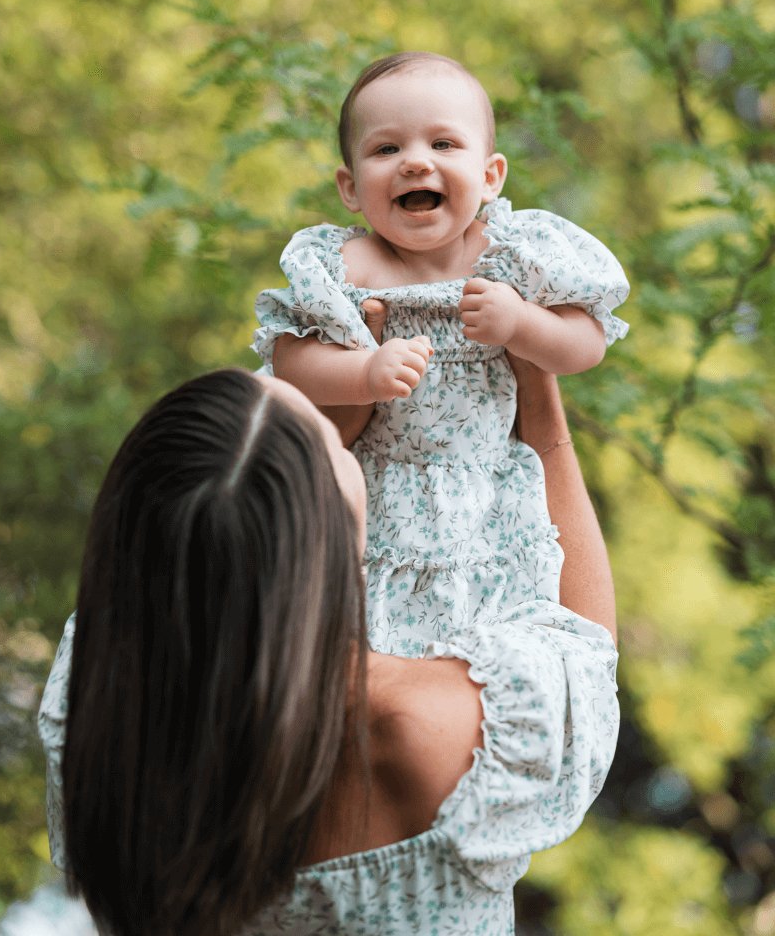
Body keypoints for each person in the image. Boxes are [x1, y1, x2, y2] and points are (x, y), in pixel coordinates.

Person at [38, 362, 619, 936]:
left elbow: (221, 535)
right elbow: (587, 652)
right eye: (334, 441)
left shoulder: (88, 710)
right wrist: (544, 414)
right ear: (333, 539)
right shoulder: (424, 728)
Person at [254, 51, 630, 656]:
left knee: (492, 629)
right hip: (374, 492)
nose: (416, 162)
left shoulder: (514, 255)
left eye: (445, 144)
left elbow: (586, 343)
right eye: (386, 150)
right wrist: (363, 371)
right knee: (370, 628)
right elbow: (287, 358)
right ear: (350, 188)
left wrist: (522, 323)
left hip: (488, 496)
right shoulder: (347, 266)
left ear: (490, 176)